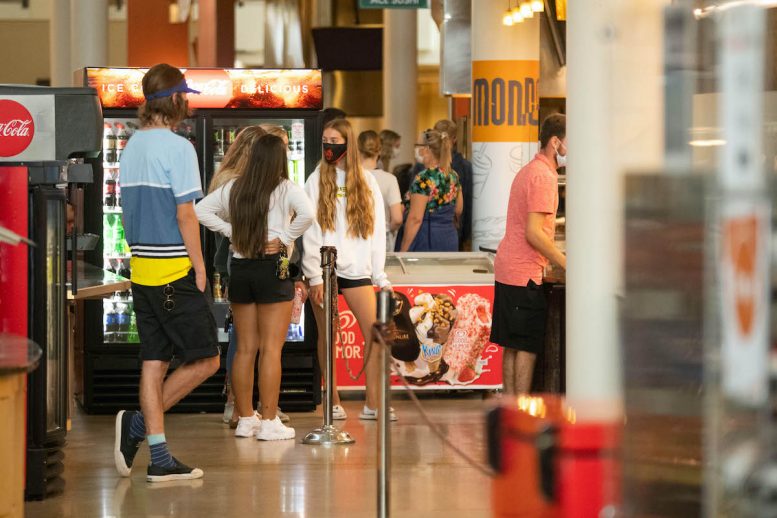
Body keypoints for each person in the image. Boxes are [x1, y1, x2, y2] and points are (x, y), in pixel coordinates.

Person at [114, 63, 220, 482]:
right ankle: (139, 425)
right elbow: (186, 214)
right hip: (173, 269)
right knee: (206, 359)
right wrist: (200, 266)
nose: (188, 103)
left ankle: (158, 457)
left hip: (141, 269)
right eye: (185, 96)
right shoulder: (180, 148)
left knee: (154, 360)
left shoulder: (130, 146)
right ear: (175, 99)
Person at [196, 134, 314, 440]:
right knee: (271, 350)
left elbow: (200, 211)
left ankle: (246, 417)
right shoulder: (286, 188)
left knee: (245, 349)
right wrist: (285, 238)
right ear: (279, 160)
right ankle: (270, 421)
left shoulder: (235, 187)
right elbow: (308, 214)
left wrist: (231, 232)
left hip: (241, 269)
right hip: (272, 270)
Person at [302, 118, 395, 421]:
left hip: (357, 270)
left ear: (348, 144)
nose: (329, 146)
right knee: (327, 337)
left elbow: (377, 231)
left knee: (375, 334)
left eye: (335, 141)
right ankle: (333, 399)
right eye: (325, 140)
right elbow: (310, 230)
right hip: (324, 270)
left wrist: (379, 274)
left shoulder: (367, 181)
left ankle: (373, 403)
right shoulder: (315, 179)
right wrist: (314, 275)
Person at [490, 114, 567, 395]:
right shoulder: (543, 176)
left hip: (509, 267)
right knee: (526, 346)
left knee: (513, 344)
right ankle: (521, 408)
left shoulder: (529, 170)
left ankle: (511, 407)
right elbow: (534, 233)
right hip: (525, 272)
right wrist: (566, 262)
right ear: (555, 142)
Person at [399, 129, 463, 252]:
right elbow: (458, 209)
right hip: (449, 238)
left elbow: (415, 219)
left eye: (418, 145)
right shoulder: (453, 175)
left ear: (427, 149)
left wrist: (403, 250)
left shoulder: (424, 178)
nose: (416, 149)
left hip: (427, 239)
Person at [358, 130, 402, 252]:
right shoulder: (390, 179)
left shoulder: (348, 178)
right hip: (381, 238)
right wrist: (388, 229)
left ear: (357, 150)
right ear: (379, 150)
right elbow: (397, 218)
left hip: (354, 237)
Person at [433, 119, 473, 251]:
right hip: (454, 230)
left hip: (427, 230)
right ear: (454, 139)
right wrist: (466, 235)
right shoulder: (464, 167)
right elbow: (466, 204)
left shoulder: (425, 169)